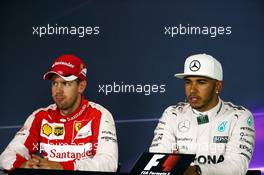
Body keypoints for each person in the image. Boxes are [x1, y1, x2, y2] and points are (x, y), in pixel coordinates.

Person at [0, 54, 118, 172]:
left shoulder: (99, 115)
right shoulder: (40, 117)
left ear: (81, 86)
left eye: (66, 83)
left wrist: (63, 167)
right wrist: (23, 165)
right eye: (54, 83)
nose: (58, 90)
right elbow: (6, 156)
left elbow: (109, 163)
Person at [149, 53, 255, 175]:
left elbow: (237, 166)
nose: (192, 90)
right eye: (188, 82)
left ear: (218, 86)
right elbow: (157, 162)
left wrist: (197, 171)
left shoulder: (239, 116)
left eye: (201, 82)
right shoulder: (173, 114)